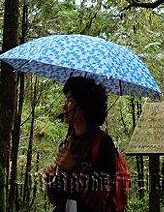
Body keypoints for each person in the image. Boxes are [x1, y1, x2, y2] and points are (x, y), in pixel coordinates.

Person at [42, 76, 117, 212]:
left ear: (83, 106)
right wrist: (51, 180)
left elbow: (102, 200)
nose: (64, 106)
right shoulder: (67, 142)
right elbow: (57, 199)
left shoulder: (104, 144)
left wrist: (73, 168)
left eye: (70, 101)